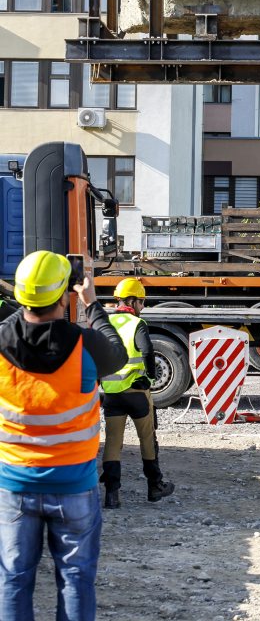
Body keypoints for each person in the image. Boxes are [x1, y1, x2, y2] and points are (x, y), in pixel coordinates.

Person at [0, 250, 126, 621]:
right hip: (74, 484)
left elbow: (14, 327)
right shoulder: (86, 345)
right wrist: (92, 303)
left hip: (15, 484)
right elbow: (116, 354)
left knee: (13, 579)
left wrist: (24, 306)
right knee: (75, 578)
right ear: (64, 295)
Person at [100, 278, 174, 508]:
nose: (142, 306)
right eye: (141, 301)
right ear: (132, 301)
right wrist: (150, 378)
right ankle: (155, 486)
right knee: (147, 439)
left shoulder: (106, 323)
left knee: (113, 443)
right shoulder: (136, 324)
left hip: (112, 394)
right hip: (136, 392)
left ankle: (112, 495)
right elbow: (147, 350)